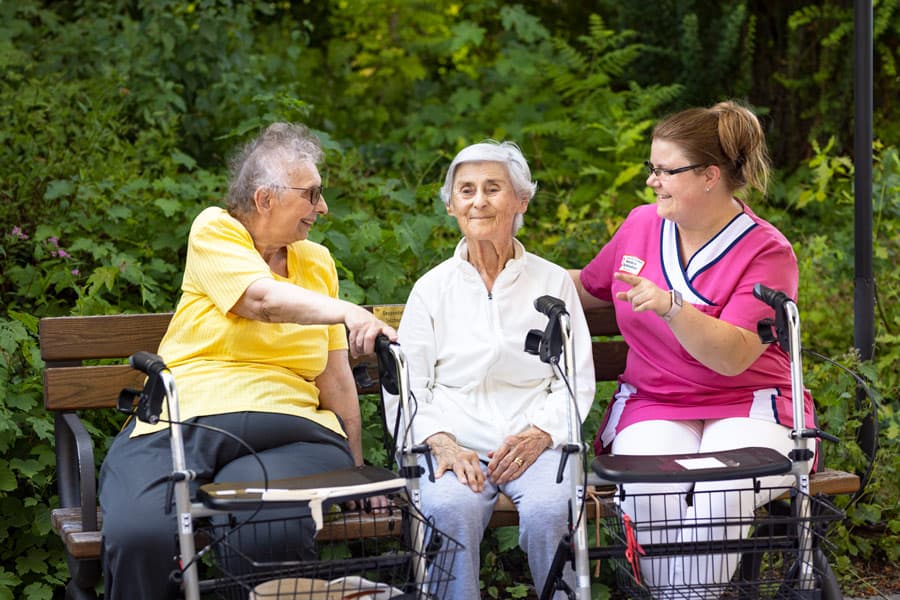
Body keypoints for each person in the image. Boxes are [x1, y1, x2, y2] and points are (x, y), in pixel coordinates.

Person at [98, 123, 397, 599]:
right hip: (183, 421)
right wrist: (349, 312)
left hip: (292, 429)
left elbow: (336, 377)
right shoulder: (215, 230)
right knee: (140, 534)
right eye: (312, 194)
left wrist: (357, 473)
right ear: (265, 199)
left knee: (267, 526)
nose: (323, 207)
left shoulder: (317, 262)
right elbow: (261, 301)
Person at [570, 101, 816, 596]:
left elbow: (732, 357)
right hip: (654, 403)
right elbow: (585, 285)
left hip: (750, 404)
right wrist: (498, 271)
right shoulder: (640, 225)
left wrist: (672, 307)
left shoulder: (767, 251)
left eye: (665, 170)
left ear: (709, 176)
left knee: (718, 494)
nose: (651, 181)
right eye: (652, 168)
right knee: (647, 493)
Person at [386, 141, 596, 598]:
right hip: (456, 446)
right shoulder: (432, 289)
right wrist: (441, 442)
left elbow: (575, 379)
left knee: (550, 509)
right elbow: (408, 386)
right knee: (447, 508)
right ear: (450, 205)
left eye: (493, 188)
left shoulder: (552, 281)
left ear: (521, 200)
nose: (478, 200)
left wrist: (542, 433)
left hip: (533, 444)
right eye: (466, 190)